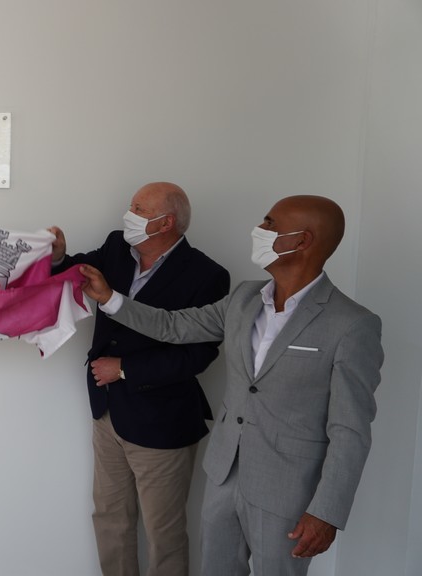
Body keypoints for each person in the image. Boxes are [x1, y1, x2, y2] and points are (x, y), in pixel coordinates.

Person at [78, 195, 384, 576]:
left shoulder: (352, 324)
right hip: (224, 473)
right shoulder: (244, 297)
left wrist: (327, 511)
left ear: (302, 240)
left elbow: (350, 429)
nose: (259, 229)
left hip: (287, 487)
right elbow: (173, 326)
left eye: (270, 223)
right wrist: (109, 299)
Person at [50, 182, 230, 576]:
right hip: (107, 411)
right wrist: (59, 256)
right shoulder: (117, 246)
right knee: (109, 518)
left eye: (138, 209)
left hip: (162, 421)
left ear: (166, 223)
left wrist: (125, 369)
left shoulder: (208, 275)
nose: (128, 214)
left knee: (163, 533)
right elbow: (77, 273)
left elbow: (199, 354)